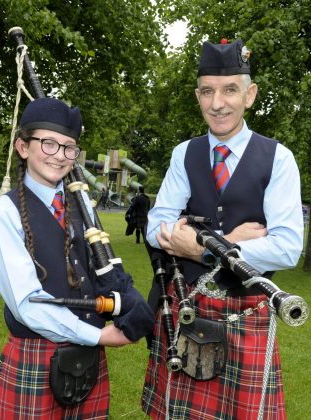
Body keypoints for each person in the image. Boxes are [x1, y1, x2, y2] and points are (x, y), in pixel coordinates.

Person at [141, 39, 304, 419]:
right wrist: (230, 241)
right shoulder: (185, 153)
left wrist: (200, 248)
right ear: (197, 96)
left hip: (246, 310)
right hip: (187, 303)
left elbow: (287, 247)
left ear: (250, 95)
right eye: (208, 91)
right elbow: (156, 226)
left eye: (230, 90)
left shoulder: (278, 158)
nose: (218, 103)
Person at [0, 97, 154, 419]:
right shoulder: (4, 215)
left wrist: (127, 298)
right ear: (22, 146)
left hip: (88, 359)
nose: (59, 156)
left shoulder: (82, 206)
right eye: (48, 143)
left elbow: (103, 267)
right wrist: (100, 335)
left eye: (69, 147)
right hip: (37, 353)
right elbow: (27, 302)